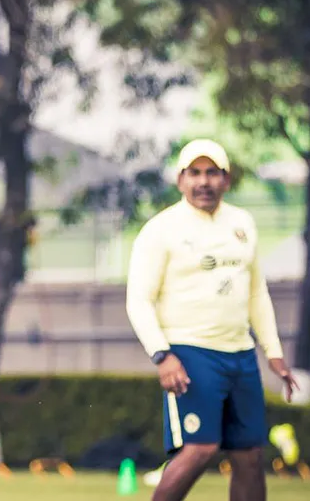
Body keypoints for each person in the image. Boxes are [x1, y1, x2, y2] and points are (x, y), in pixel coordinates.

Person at [125, 139, 299, 500]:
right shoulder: (161, 229)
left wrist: (274, 352)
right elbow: (139, 300)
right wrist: (162, 355)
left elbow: (256, 293)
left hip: (240, 354)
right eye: (194, 173)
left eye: (212, 173)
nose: (203, 182)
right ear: (180, 180)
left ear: (226, 179)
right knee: (200, 449)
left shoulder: (242, 223)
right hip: (190, 352)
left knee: (249, 456)